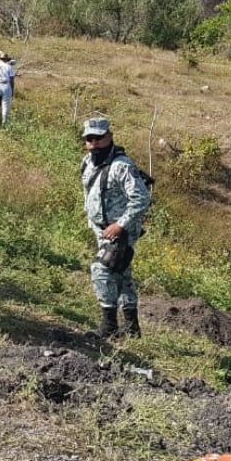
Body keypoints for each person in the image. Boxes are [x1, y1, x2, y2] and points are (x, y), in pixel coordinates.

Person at [79, 117, 151, 338]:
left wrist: (120, 225)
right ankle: (132, 326)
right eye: (90, 139)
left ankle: (109, 326)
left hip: (121, 231)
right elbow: (89, 192)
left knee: (101, 269)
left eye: (99, 138)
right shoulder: (87, 162)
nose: (94, 143)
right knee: (121, 273)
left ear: (109, 137)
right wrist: (93, 221)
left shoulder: (122, 166)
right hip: (102, 229)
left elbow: (141, 198)